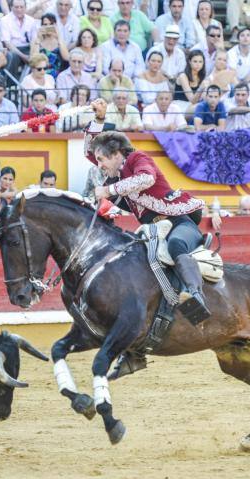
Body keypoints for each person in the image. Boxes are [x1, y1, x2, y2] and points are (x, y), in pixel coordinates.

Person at [88, 97, 215, 325]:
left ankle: (196, 297)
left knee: (176, 245)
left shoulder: (137, 158)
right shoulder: (117, 174)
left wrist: (108, 190)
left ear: (117, 153)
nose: (99, 165)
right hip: (153, 230)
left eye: (102, 159)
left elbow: (146, 178)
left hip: (179, 223)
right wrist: (98, 119)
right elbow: (89, 150)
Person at [0, 0, 39, 77]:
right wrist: (24, 57)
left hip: (28, 48)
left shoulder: (31, 20)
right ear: (11, 8)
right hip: (13, 48)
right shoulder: (5, 20)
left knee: (40, 54)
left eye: (21, 7)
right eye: (16, 7)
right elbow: (7, 43)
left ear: (25, 8)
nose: (19, 9)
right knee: (12, 56)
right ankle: (10, 85)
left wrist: (33, 54)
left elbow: (34, 40)